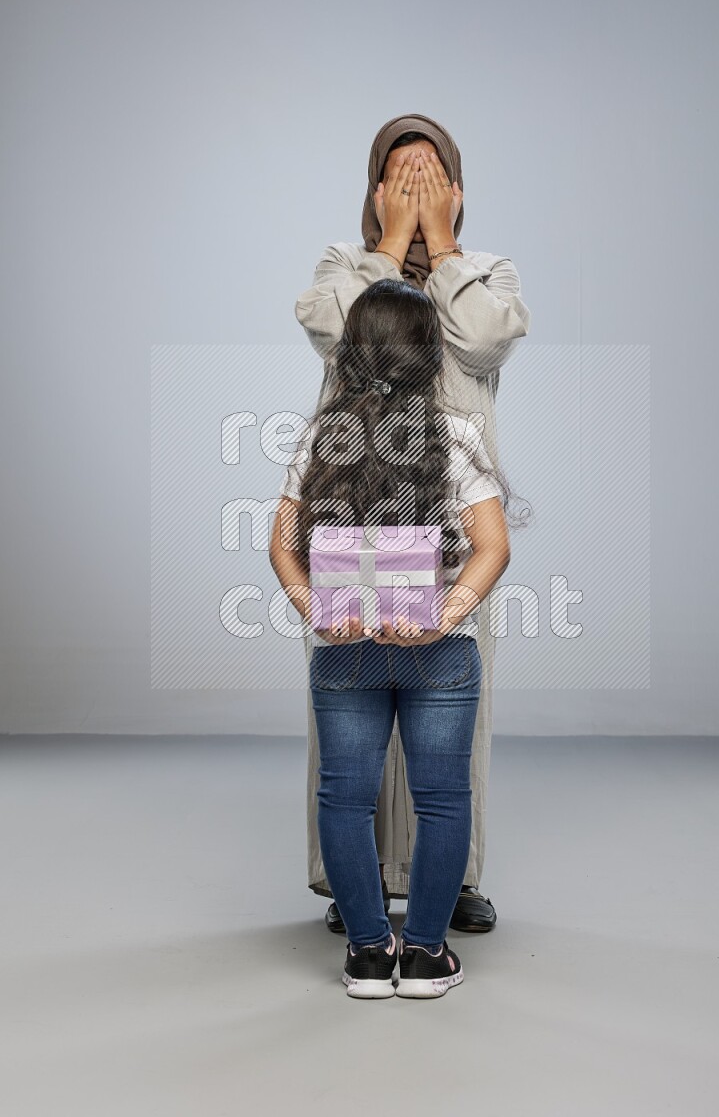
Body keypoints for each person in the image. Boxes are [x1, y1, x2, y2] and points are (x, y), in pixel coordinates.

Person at [294, 112, 531, 934]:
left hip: (454, 521)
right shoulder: (342, 266)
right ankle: (350, 881)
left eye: (433, 174)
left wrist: (444, 249)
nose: (418, 186)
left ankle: (452, 879)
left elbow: (486, 343)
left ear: (458, 191)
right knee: (351, 696)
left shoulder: (488, 272)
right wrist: (391, 252)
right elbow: (341, 337)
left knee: (457, 700)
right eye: (403, 174)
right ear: (376, 190)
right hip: (355, 511)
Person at [270, 277, 521, 997]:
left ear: (349, 354)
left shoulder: (321, 436)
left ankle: (369, 956)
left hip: (343, 648)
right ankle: (427, 957)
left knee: (344, 799)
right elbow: (493, 547)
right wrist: (445, 614)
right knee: (442, 798)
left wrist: (315, 608)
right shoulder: (458, 434)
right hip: (437, 652)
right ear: (429, 353)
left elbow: (281, 545)